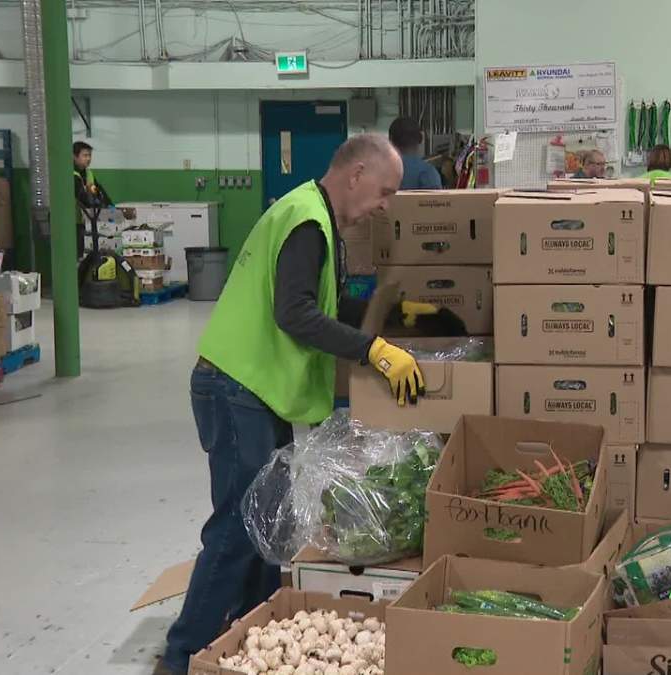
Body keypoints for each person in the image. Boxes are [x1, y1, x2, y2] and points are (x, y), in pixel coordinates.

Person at [154, 134, 429, 675]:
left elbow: (323, 303)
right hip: (238, 388)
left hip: (258, 390)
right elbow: (295, 314)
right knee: (238, 526)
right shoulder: (307, 220)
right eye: (385, 191)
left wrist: (391, 314)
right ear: (356, 174)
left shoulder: (313, 215)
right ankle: (182, 656)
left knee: (265, 523)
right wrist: (374, 350)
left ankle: (252, 630)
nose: (385, 205)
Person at [73, 141, 112, 258]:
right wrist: (98, 205)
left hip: (86, 220)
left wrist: (110, 207)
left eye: (90, 155)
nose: (88, 159)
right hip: (72, 222)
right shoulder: (71, 175)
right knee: (77, 254)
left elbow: (100, 191)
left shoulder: (88, 173)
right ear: (74, 156)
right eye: (85, 155)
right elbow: (83, 198)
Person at [388, 116, 443, 189]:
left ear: (390, 140)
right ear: (420, 139)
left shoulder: (380, 172)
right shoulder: (428, 172)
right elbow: (436, 199)